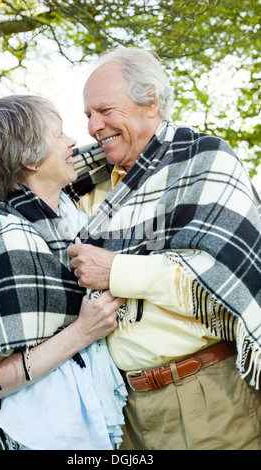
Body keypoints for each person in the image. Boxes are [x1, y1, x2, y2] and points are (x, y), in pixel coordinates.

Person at [66, 47, 261, 450]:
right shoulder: (89, 183)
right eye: (87, 115)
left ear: (151, 101)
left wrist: (116, 270)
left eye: (104, 110)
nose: (93, 126)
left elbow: (219, 279)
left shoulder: (204, 161)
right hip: (122, 406)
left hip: (205, 397)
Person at [0, 95, 127, 450]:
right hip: (45, 432)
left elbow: (107, 153)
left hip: (87, 413)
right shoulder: (15, 238)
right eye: (59, 134)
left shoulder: (67, 214)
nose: (72, 141)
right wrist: (83, 331)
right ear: (29, 159)